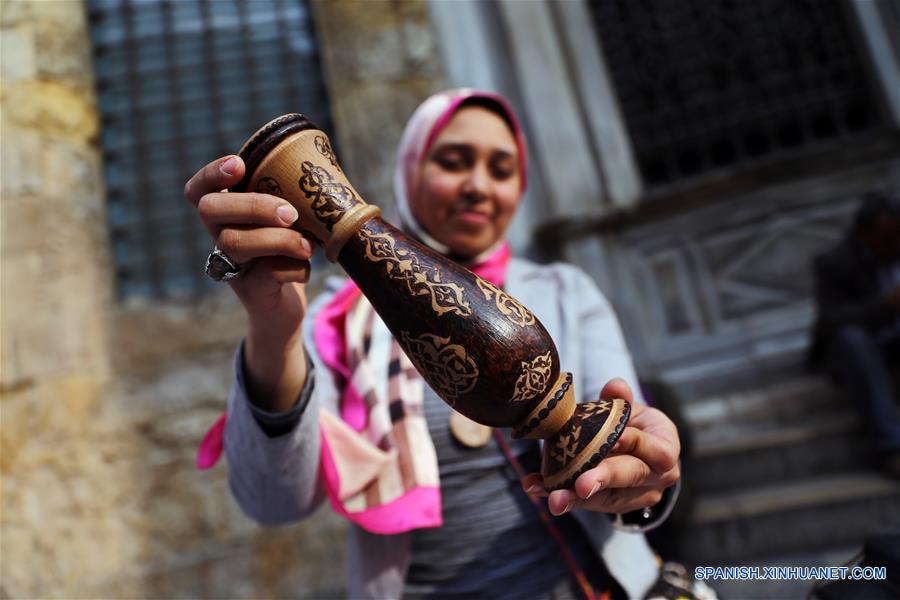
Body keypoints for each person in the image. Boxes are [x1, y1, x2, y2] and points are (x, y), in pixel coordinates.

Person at [185, 89, 682, 599]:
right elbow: (274, 502)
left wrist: (641, 477)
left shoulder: (566, 292)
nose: (478, 186)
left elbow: (631, 455)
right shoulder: (332, 320)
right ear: (410, 169)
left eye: (502, 169)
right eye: (453, 161)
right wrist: (273, 329)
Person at [810, 191, 900, 478]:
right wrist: (885, 306)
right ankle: (891, 446)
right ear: (865, 234)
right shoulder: (835, 262)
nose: (895, 246)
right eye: (887, 240)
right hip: (867, 343)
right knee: (852, 340)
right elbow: (830, 319)